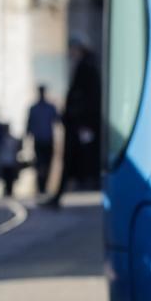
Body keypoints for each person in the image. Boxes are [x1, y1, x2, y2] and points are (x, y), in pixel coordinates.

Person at [44, 39, 102, 207]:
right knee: (71, 161)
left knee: (76, 160)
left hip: (79, 124)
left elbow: (86, 98)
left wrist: (79, 119)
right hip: (78, 123)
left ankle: (59, 196)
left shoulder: (86, 68)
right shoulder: (85, 66)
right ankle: (57, 196)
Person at [26, 86, 59, 198]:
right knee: (40, 164)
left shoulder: (50, 107)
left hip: (48, 140)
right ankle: (41, 186)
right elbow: (29, 124)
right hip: (39, 140)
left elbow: (58, 119)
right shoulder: (34, 108)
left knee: (47, 164)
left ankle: (44, 186)